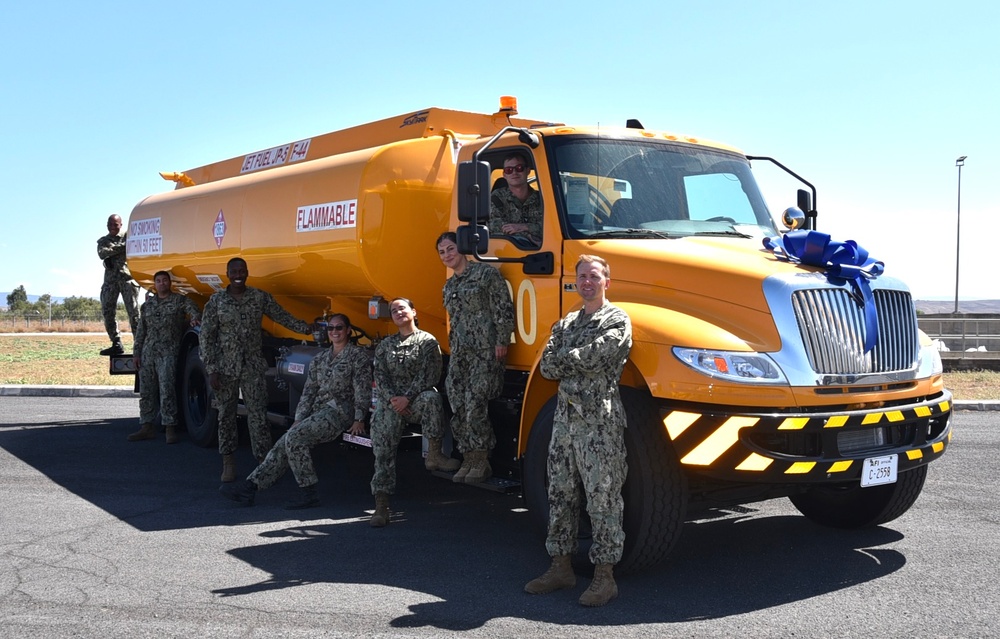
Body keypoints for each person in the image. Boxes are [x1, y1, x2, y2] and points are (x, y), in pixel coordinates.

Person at [524, 254, 632, 608]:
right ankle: (560, 567)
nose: (587, 281)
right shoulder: (568, 322)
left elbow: (597, 357)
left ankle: (605, 577)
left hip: (598, 424)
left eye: (594, 276)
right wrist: (572, 358)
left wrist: (566, 358)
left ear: (606, 282)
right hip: (565, 424)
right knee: (560, 494)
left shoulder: (616, 319)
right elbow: (547, 367)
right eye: (582, 276)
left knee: (602, 500)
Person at [219, 314, 371, 509]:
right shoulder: (321, 358)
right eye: (331, 328)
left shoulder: (357, 357)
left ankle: (309, 493)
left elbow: (362, 390)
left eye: (339, 328)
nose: (334, 332)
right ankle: (250, 488)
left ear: (348, 330)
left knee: (295, 439)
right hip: (319, 410)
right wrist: (299, 418)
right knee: (285, 441)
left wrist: (359, 419)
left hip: (340, 413)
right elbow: (309, 391)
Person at [199, 257, 314, 483]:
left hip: (252, 366)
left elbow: (281, 316)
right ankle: (228, 462)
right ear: (227, 273)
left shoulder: (258, 297)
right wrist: (212, 369)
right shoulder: (217, 301)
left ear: (247, 272)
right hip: (225, 369)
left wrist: (306, 329)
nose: (238, 274)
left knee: (258, 416)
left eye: (242, 270)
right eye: (234, 271)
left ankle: (264, 464)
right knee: (226, 416)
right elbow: (206, 336)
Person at [369, 297, 459, 527]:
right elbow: (380, 376)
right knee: (382, 449)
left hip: (415, 401)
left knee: (431, 397)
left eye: (402, 308)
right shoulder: (385, 346)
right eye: (394, 310)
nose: (398, 312)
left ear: (413, 311)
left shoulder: (427, 341)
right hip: (392, 403)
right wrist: (393, 399)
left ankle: (434, 454)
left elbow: (429, 376)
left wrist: (407, 398)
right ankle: (381, 505)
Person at [436, 232, 514, 484]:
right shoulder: (449, 286)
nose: (447, 255)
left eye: (450, 248)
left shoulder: (485, 274)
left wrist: (502, 339)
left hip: (485, 351)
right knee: (457, 402)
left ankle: (481, 459)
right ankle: (468, 456)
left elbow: (502, 307)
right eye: (442, 252)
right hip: (461, 353)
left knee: (475, 402)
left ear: (462, 248)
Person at [127, 271, 201, 444]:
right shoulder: (148, 306)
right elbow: (141, 332)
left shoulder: (179, 301)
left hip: (168, 352)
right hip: (148, 352)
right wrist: (136, 353)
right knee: (147, 390)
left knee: (167, 389)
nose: (162, 283)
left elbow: (193, 310)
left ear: (170, 283)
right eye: (158, 281)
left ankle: (169, 427)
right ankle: (146, 426)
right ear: (155, 284)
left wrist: (195, 319)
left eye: (165, 280)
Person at [97, 214, 140, 355]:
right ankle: (116, 342)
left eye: (115, 224)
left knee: (134, 313)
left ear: (121, 225)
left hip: (127, 280)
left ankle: (139, 345)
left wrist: (113, 252)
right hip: (111, 282)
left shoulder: (129, 236)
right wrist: (122, 248)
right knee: (108, 312)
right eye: (110, 224)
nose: (112, 227)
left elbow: (132, 245)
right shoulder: (103, 240)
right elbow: (103, 253)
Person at [489, 151, 543, 247]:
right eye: (509, 170)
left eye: (519, 168)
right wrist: (530, 237)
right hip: (509, 253)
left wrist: (524, 227)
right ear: (504, 174)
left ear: (528, 170)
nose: (514, 173)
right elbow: (497, 229)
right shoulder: (496, 198)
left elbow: (551, 228)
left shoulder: (542, 199)